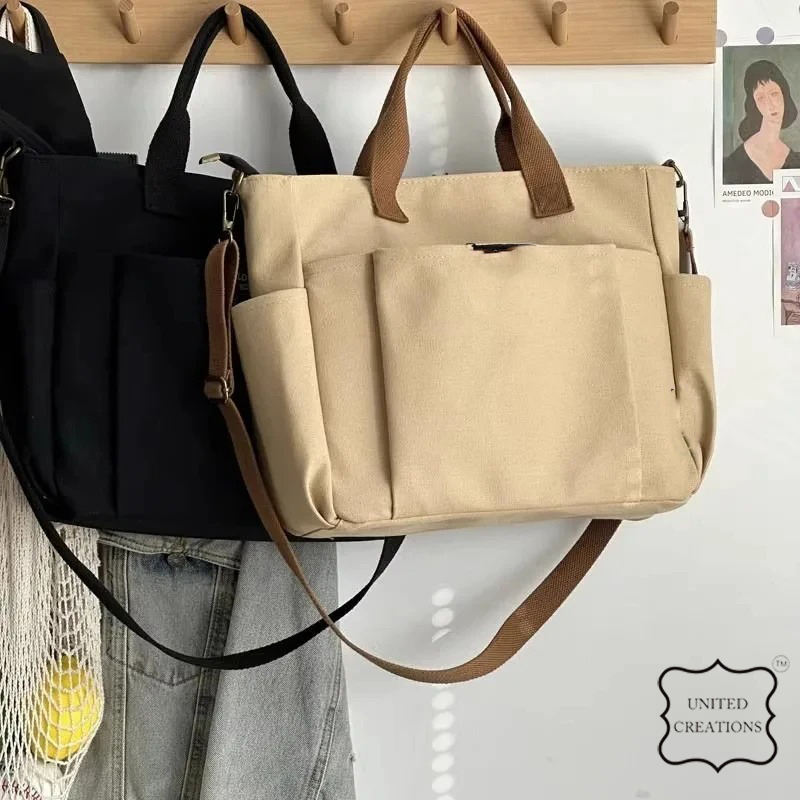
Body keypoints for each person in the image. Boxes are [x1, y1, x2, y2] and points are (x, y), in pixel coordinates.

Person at [723, 60, 800, 184]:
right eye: (761, 98)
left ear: (784, 94)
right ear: (755, 105)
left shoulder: (795, 161)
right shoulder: (734, 163)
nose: (770, 104)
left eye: (774, 94)